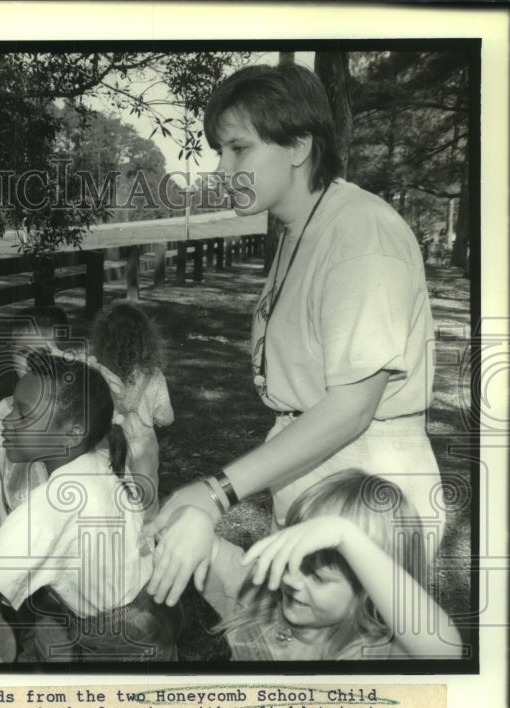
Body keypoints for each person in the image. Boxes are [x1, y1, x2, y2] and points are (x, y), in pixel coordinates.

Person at [144, 63, 445, 608]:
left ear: (299, 145)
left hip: (368, 486)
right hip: (313, 466)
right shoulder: (297, 231)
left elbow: (351, 408)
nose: (222, 168)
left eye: (238, 149)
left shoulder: (359, 232)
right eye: (219, 151)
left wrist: (215, 493)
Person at [0, 357, 176, 662]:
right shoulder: (101, 458)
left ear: (71, 434)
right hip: (151, 604)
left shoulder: (51, 504)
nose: (7, 420)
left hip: (118, 635)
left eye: (23, 414)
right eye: (13, 406)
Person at [204, 469, 462, 660]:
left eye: (317, 577)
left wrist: (347, 537)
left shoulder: (375, 652)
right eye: (289, 561)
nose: (291, 580)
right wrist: (194, 518)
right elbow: (185, 539)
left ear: (369, 591)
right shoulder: (257, 597)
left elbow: (443, 650)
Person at [0, 306, 71, 529]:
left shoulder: (74, 412)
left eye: (43, 352)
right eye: (22, 352)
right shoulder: (3, 411)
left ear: (64, 355)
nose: (31, 360)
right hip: (16, 523)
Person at [89, 302, 174, 518]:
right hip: (144, 444)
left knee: (111, 492)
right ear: (145, 339)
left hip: (109, 441)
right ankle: (146, 539)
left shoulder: (99, 373)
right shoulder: (153, 376)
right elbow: (166, 416)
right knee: (146, 496)